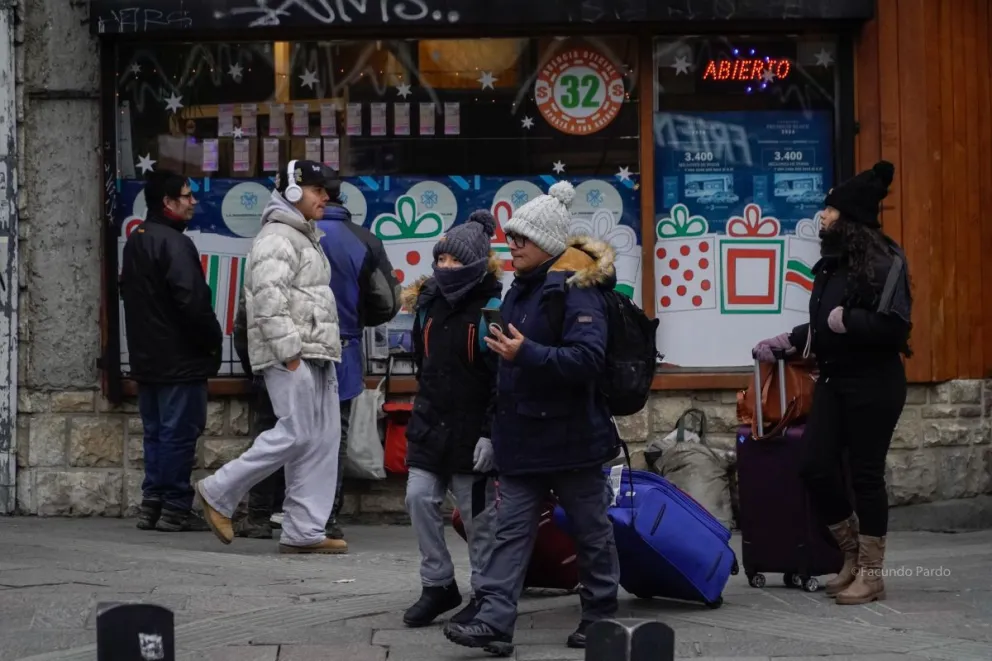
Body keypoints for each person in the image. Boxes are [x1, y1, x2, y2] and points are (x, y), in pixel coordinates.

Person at [443, 181, 621, 653]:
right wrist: (492, 428)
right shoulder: (516, 290)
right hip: (522, 438)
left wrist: (528, 353)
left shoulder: (578, 289)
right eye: (512, 236)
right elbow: (506, 371)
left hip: (573, 439)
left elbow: (588, 360)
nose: (511, 244)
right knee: (510, 533)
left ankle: (600, 615)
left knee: (591, 532)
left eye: (522, 238)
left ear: (547, 244)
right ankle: (496, 624)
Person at [752, 161, 911, 605]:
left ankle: (872, 574)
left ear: (849, 217)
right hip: (835, 380)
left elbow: (896, 329)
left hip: (875, 383)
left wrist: (851, 321)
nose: (822, 217)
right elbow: (823, 326)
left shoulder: (885, 261)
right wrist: (792, 340)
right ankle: (851, 557)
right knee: (815, 466)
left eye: (830, 210)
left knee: (865, 476)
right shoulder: (830, 265)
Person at [194, 160, 347, 554]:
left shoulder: (301, 235)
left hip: (313, 352)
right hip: (294, 354)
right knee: (297, 434)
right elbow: (268, 300)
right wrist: (290, 353)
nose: (325, 197)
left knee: (320, 440)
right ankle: (218, 490)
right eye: (316, 189)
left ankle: (304, 531)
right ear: (293, 191)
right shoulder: (279, 237)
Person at [400, 210, 502, 629]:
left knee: (480, 521)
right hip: (430, 426)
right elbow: (423, 366)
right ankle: (438, 584)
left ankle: (487, 594)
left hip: (472, 433)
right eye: (440, 260)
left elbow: (502, 381)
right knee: (418, 499)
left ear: (476, 264)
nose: (445, 268)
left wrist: (490, 434)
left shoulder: (492, 310)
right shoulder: (427, 306)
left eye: (455, 262)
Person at [120, 170, 222, 533]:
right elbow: (192, 301)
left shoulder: (137, 240)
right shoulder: (175, 243)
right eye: (186, 194)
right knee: (178, 433)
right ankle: (175, 508)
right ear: (167, 202)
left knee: (157, 433)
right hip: (180, 358)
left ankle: (153, 504)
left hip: (148, 358)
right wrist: (212, 340)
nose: (193, 200)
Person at [316, 171, 402, 540]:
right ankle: (324, 517)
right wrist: (358, 319)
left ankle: (269, 511)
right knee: (334, 434)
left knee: (287, 431)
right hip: (344, 348)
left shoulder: (289, 233)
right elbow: (388, 301)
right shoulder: (362, 240)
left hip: (290, 351)